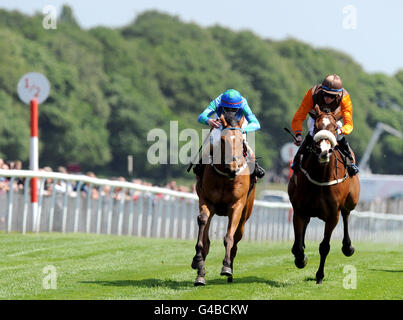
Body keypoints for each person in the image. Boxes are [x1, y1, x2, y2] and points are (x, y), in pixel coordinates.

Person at [290, 74, 359, 177]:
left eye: (332, 96)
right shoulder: (312, 93)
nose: (328, 98)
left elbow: (349, 124)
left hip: (334, 122)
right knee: (312, 132)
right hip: (316, 120)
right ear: (321, 90)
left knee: (340, 136)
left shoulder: (345, 98)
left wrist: (339, 131)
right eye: (325, 94)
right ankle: (297, 160)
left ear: (338, 95)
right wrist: (298, 133)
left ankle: (350, 163)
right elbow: (299, 116)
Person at [193, 89, 265, 179]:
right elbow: (201, 116)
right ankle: (200, 166)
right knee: (214, 142)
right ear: (222, 105)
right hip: (221, 123)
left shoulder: (243, 104)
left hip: (238, 125)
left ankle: (254, 167)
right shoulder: (217, 102)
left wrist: (242, 130)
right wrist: (209, 120)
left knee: (244, 143)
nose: (230, 111)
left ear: (239, 107)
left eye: (234, 109)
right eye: (227, 109)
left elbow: (256, 124)